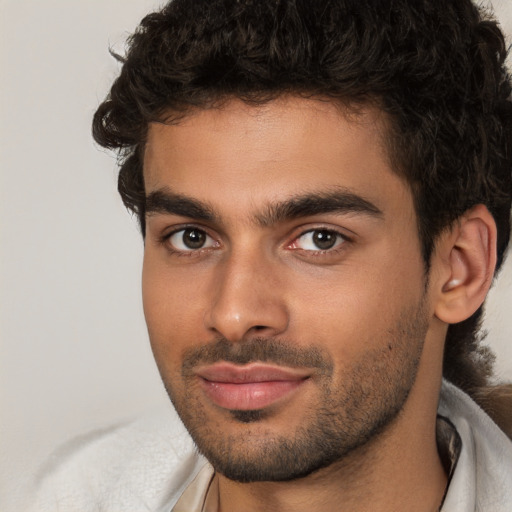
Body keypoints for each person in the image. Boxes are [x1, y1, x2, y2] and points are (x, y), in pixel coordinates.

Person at [29, 0, 512, 510]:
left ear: (460, 268)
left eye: (319, 239)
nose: (234, 315)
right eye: (192, 237)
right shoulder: (62, 496)